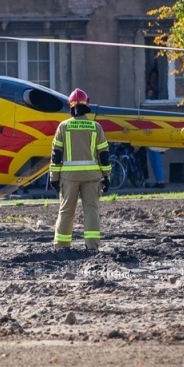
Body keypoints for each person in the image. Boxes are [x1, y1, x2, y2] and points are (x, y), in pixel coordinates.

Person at [51, 88, 110, 251]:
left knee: (66, 211)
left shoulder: (63, 127)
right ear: (87, 105)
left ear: (70, 105)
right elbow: (104, 155)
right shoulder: (95, 127)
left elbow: (56, 156)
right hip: (92, 177)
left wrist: (53, 178)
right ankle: (92, 246)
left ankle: (61, 246)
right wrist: (107, 176)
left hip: (69, 177)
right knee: (91, 210)